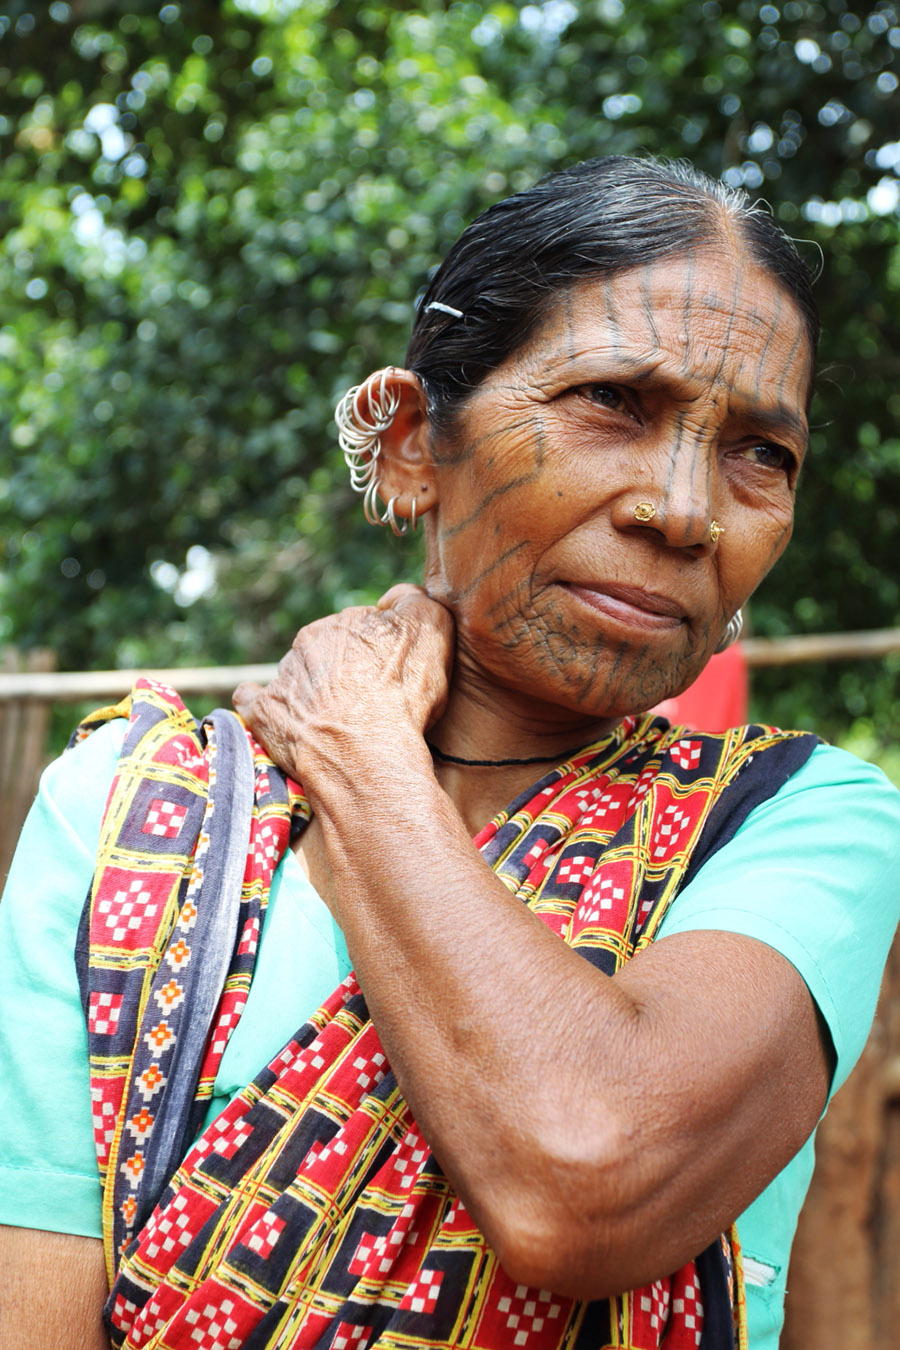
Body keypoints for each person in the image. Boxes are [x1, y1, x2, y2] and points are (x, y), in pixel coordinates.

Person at [1, 156, 898, 1350]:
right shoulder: (130, 812)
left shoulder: (805, 824)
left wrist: (364, 755)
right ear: (419, 442)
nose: (686, 508)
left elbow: (588, 1174)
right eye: (612, 402)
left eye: (759, 455)